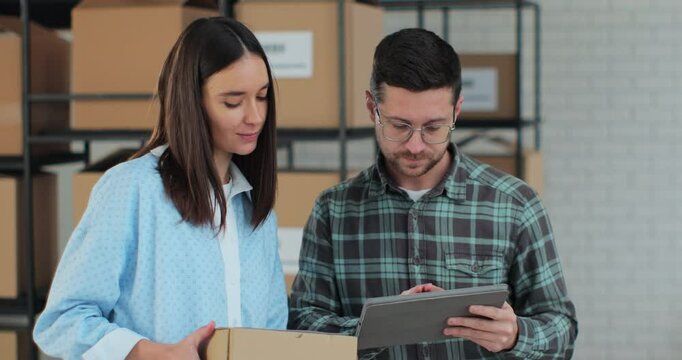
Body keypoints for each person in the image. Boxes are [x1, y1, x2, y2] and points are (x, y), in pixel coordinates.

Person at [288, 28, 578, 359]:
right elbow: (303, 324)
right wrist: (371, 330)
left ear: (456, 111)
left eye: (433, 128)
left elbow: (562, 330)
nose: (415, 145)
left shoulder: (515, 204)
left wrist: (515, 335)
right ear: (372, 108)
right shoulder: (334, 211)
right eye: (399, 125)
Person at [33, 17, 287, 359]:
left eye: (262, 96)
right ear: (192, 101)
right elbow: (62, 322)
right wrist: (149, 352)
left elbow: (273, 330)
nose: (255, 116)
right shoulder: (131, 189)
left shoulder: (255, 207)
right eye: (233, 101)